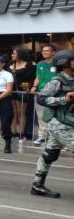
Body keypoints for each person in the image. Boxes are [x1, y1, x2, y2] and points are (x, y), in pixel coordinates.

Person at [30, 50, 74, 198]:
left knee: (50, 154)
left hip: (69, 122)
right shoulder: (58, 81)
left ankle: (37, 185)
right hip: (60, 124)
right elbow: (41, 98)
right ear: (65, 63)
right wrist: (63, 100)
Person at [9, 47, 35, 142]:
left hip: (23, 91)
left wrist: (29, 87)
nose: (12, 55)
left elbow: (32, 78)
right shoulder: (11, 65)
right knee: (13, 112)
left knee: (21, 112)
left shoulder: (29, 65)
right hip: (12, 91)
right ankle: (13, 133)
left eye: (14, 53)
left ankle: (21, 133)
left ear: (20, 54)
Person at [32, 44, 57, 146]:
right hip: (41, 92)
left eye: (47, 51)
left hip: (54, 93)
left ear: (53, 52)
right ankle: (42, 136)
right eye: (43, 51)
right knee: (41, 116)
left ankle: (55, 138)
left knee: (54, 116)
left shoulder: (58, 64)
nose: (44, 52)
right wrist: (34, 86)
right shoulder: (40, 64)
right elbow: (38, 77)